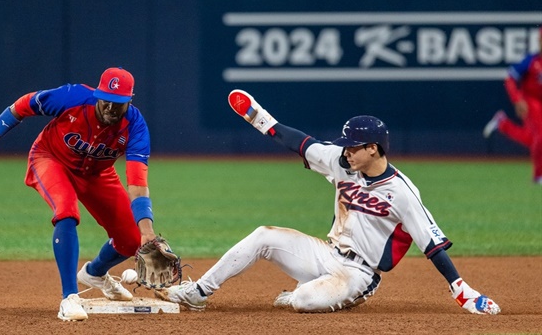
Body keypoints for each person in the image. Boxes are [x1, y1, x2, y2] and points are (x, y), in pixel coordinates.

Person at [155, 89, 501, 315]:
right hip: (326, 252)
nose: (345, 151)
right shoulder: (341, 161)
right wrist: (258, 117)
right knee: (264, 235)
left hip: (359, 273)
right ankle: (198, 292)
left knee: (302, 301)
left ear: (373, 150)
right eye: (346, 146)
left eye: (353, 146)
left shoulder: (402, 193)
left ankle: (313, 292)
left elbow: (433, 247)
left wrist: (464, 293)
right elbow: (300, 143)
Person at [0, 67, 160, 321]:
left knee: (131, 240)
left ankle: (95, 273)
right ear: (98, 94)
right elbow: (22, 105)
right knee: (66, 212)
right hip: (50, 159)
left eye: (118, 103)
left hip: (97, 174)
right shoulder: (71, 97)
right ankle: (70, 297)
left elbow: (137, 182)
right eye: (106, 100)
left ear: (129, 101)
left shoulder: (135, 126)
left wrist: (147, 229)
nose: (110, 108)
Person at [483, 26, 542, 184]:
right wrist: (517, 99)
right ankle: (538, 176)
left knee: (534, 139)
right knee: (540, 137)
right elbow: (510, 78)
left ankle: (502, 124)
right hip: (531, 101)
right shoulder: (532, 60)